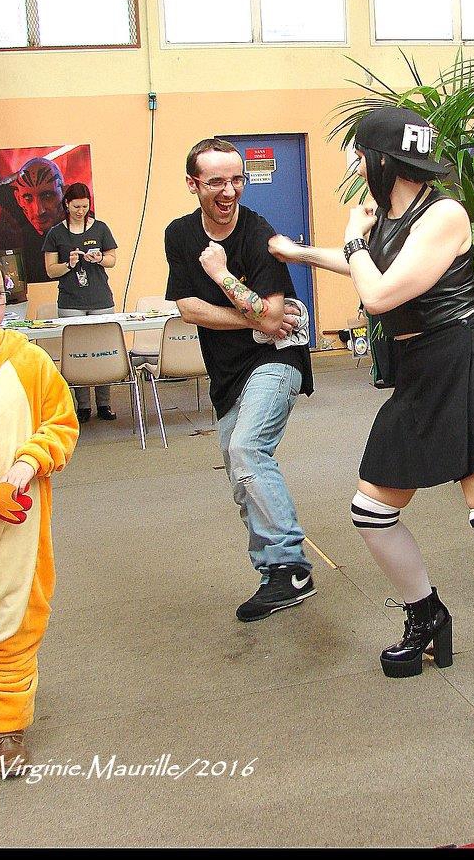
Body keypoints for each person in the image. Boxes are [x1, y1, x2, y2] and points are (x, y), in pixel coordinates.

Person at [268, 105, 474, 759]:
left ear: (383, 160)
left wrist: (352, 239)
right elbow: (377, 263)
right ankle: (427, 614)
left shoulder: (444, 215)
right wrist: (302, 252)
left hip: (470, 363)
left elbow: (379, 293)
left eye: (360, 154)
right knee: (371, 512)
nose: (355, 164)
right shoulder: (390, 217)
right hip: (421, 372)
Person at [164, 137, 316, 623]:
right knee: (240, 471)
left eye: (237, 180)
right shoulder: (180, 234)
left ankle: (290, 566)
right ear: (193, 185)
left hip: (278, 360)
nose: (229, 191)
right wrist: (254, 319)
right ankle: (274, 574)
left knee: (248, 449)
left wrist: (221, 274)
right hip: (228, 371)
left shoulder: (258, 234)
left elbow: (273, 321)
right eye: (216, 182)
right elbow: (189, 309)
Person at [0, 248, 79, 778]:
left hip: (21, 524)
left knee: (15, 615)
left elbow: (61, 423)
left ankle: (7, 726)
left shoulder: (30, 361)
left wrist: (28, 462)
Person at [41, 183, 119, 422]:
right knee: (78, 352)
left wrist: (100, 258)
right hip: (71, 300)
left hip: (100, 298)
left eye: (85, 206)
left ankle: (104, 403)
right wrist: (69, 264)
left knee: (104, 349)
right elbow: (50, 270)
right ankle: (83, 405)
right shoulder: (56, 233)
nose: (80, 211)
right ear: (66, 204)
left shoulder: (101, 228)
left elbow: (112, 259)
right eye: (76, 207)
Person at [0, 157, 66, 283]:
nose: (38, 211)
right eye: (28, 198)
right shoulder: (14, 201)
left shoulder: (80, 221)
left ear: (63, 193)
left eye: (48, 196)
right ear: (18, 199)